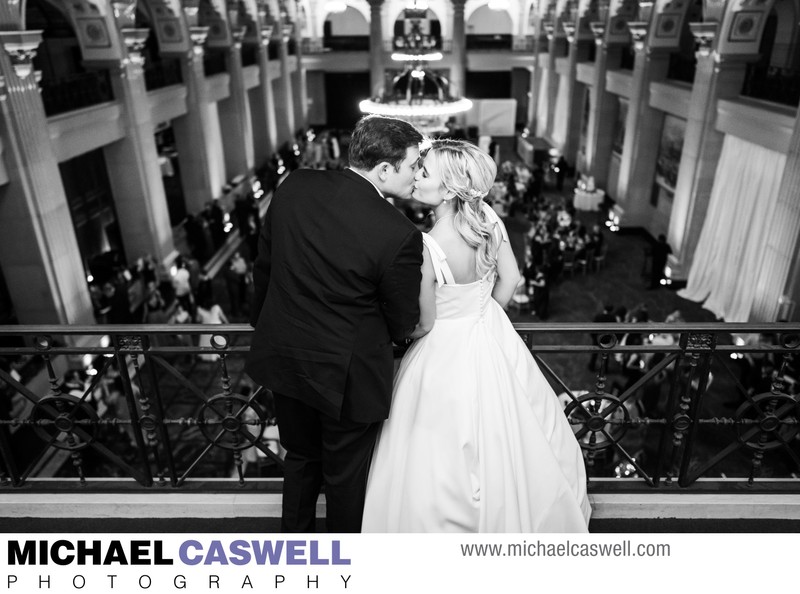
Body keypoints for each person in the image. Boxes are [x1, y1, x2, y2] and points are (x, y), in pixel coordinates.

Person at [362, 139, 590, 532]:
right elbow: (512, 278)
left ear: (449, 188)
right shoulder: (487, 218)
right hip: (491, 333)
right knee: (511, 432)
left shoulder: (428, 245)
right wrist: (484, 314)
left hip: (443, 349)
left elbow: (425, 323)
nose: (415, 176)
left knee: (434, 449)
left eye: (425, 172)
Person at [246, 115, 425, 533]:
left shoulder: (295, 186)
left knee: (301, 460)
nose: (418, 175)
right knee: (346, 479)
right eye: (413, 165)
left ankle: (295, 552)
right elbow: (403, 321)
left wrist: (268, 325)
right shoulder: (398, 232)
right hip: (347, 377)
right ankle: (345, 565)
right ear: (385, 169)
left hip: (286, 357)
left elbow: (265, 267)